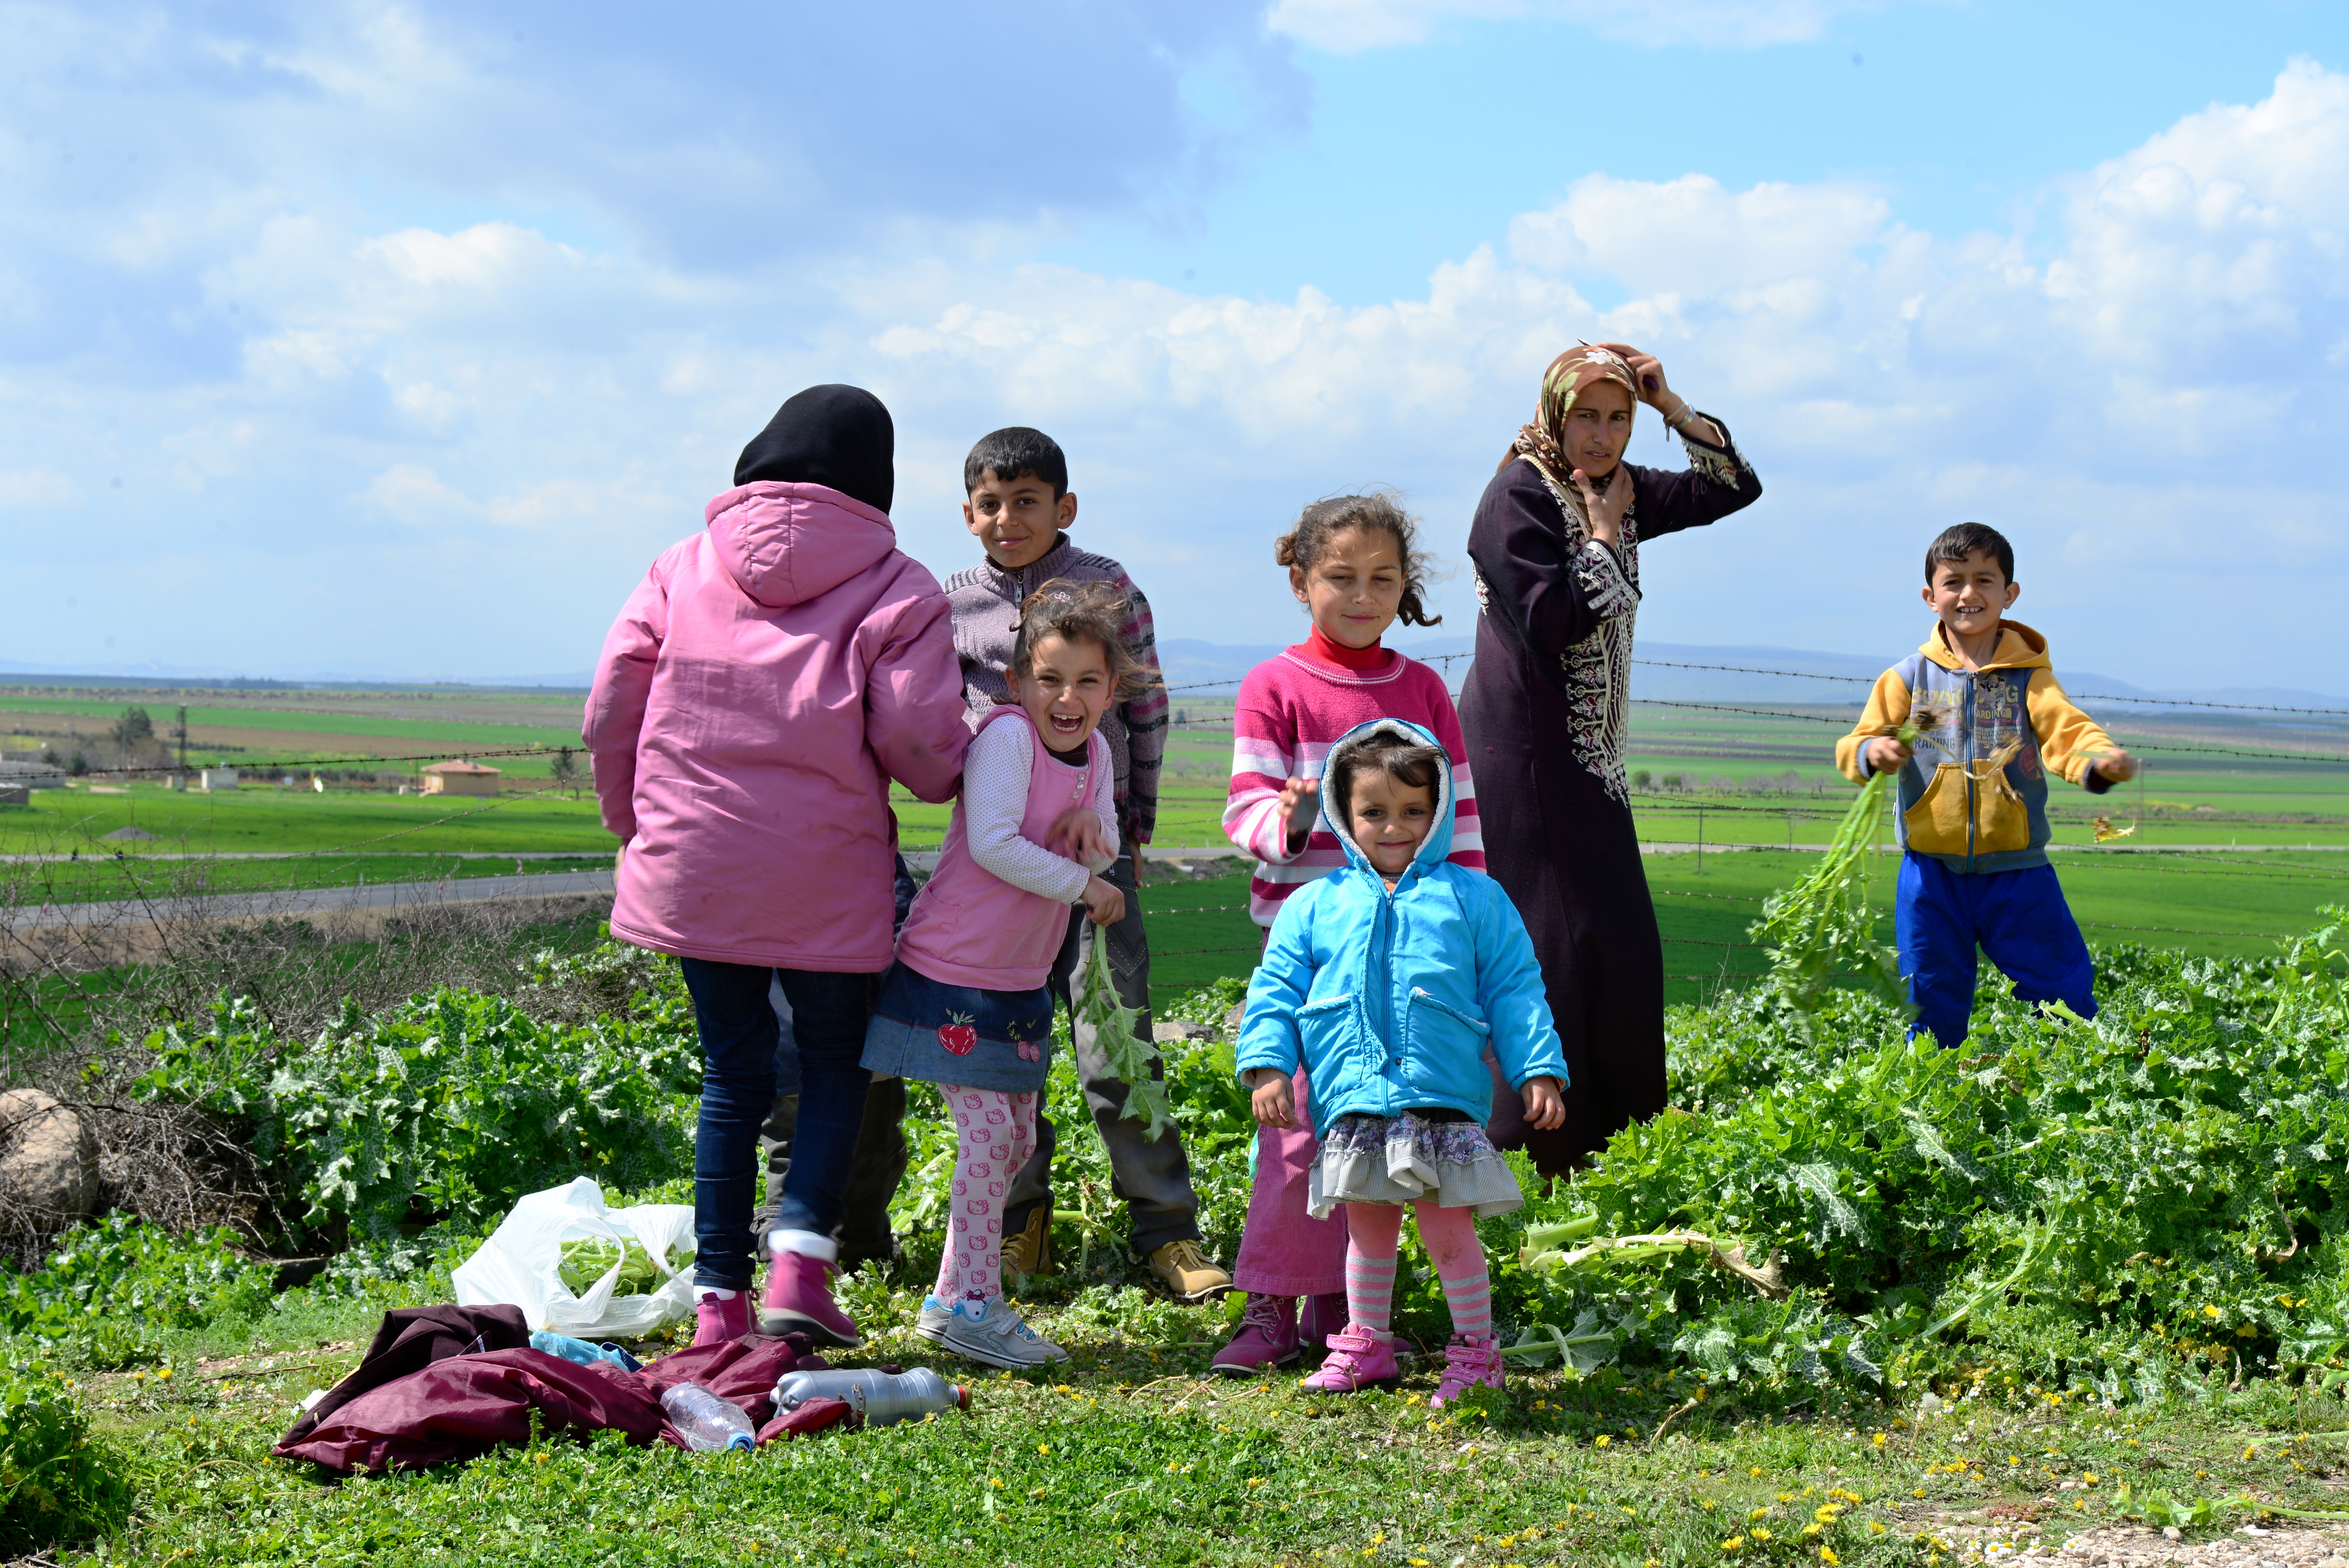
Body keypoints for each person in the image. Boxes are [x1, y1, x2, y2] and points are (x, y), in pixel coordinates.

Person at [583, 384, 971, 1349]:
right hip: (826, 878)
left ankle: (720, 1298)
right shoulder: (899, 586)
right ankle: (801, 1259)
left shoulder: (680, 565)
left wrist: (635, 826)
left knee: (733, 1071)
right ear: (875, 476)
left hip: (694, 867)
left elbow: (607, 713)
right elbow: (922, 752)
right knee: (835, 1065)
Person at [940, 428, 1228, 1304]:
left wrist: (1130, 826)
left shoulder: (1110, 587)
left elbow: (1144, 709)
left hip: (1095, 855)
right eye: (990, 503)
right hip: (998, 869)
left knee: (1116, 1038)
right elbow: (946, 719)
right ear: (967, 515)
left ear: (1063, 507)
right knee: (1000, 1046)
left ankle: (1166, 1229)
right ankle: (1016, 1224)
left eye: (1027, 501)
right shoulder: (949, 603)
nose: (1007, 519)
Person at [1458, 343, 1761, 1171]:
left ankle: (1617, 1137)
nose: (1601, 434)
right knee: (1553, 942)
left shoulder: (1613, 486)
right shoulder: (1518, 494)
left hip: (1587, 758)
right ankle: (1536, 1144)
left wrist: (1672, 407)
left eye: (1618, 416)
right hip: (1524, 754)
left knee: (1616, 944)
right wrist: (1596, 538)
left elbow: (1732, 487)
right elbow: (1551, 621)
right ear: (1554, 412)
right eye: (1586, 415)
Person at [1211, 493, 1484, 1376]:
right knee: (1292, 1130)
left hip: (1411, 965)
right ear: (1300, 582)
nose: (1360, 596)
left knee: (1374, 1127)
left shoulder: (1422, 690)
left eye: (1381, 579)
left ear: (1404, 588)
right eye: (1340, 578)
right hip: (1310, 951)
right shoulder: (1274, 685)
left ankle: (1344, 1313)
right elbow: (1245, 804)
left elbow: (1460, 821)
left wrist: (1467, 938)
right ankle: (1267, 1307)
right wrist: (1287, 825)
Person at [1235, 720, 1568, 1406]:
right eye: (1375, 812)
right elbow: (1275, 988)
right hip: (1353, 1096)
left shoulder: (1475, 898)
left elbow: (1514, 987)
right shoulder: (1314, 906)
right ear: (1344, 813)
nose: (1396, 828)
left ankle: (1478, 1353)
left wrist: (1537, 1066)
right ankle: (1366, 1346)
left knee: (1449, 1229)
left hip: (1440, 1094)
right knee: (1368, 1227)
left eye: (1414, 811)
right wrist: (1269, 1064)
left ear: (1440, 808)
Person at [862, 581, 1135, 1368]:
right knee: (986, 1136)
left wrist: (1092, 840)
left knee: (1013, 1137)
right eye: (1049, 679)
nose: (1067, 697)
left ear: (1110, 691)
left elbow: (1105, 840)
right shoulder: (1006, 739)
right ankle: (977, 1307)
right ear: (1017, 684)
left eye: (1086, 682)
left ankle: (951, 1296)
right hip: (952, 969)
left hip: (1014, 980)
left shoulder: (1097, 754)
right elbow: (993, 845)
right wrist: (1084, 881)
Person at [1837, 522, 2135, 1049]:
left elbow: (2067, 729)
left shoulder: (2028, 678)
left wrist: (2099, 761)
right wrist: (1872, 752)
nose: (1968, 594)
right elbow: (1857, 743)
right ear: (1931, 597)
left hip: (2019, 875)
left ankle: (2071, 1095)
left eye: (1984, 580)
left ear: (2009, 594)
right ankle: (1930, 1107)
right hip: (1931, 877)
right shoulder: (1909, 679)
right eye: (1953, 582)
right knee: (1930, 1000)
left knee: (2062, 994)